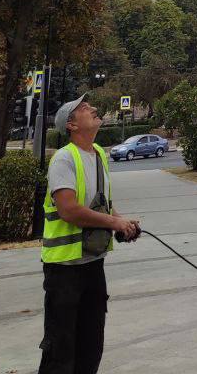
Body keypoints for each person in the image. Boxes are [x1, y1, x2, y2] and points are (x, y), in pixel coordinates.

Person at [38, 95, 141, 374]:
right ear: (71, 125)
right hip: (64, 270)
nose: (93, 109)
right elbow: (69, 210)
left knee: (90, 347)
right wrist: (112, 223)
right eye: (83, 109)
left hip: (93, 264)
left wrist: (121, 221)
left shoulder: (97, 155)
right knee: (60, 351)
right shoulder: (64, 158)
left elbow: (101, 203)